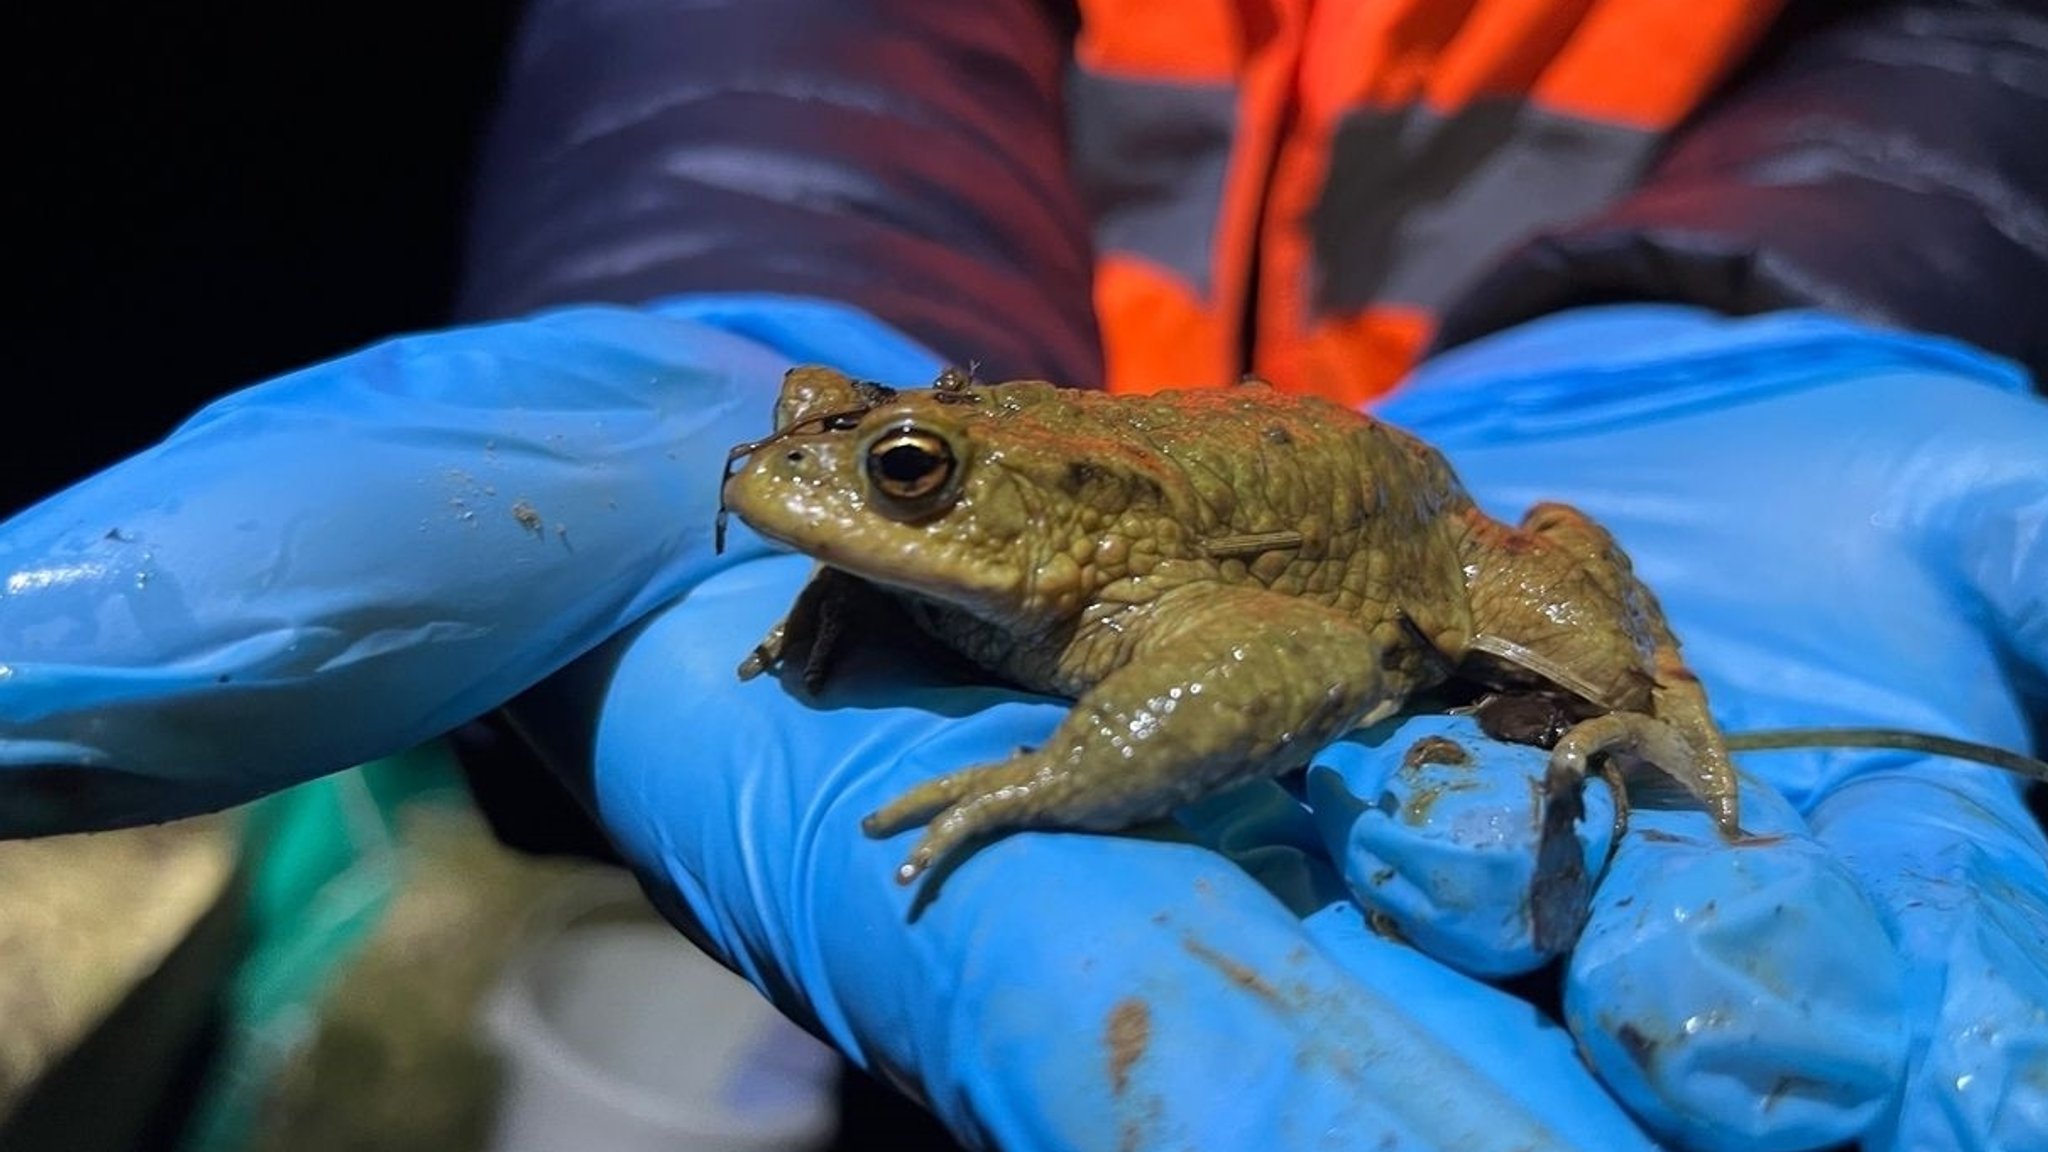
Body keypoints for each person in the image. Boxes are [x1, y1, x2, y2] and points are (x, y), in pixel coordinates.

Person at [4, 1, 2045, 1149]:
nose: (801, 482)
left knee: (1548, 650)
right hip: (1083, 408)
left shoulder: (1145, 590)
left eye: (888, 477)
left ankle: (1651, 706)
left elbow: (1287, 649)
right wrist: (762, 300)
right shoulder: (950, 507)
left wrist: (1055, 773)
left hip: (1398, 511)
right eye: (834, 442)